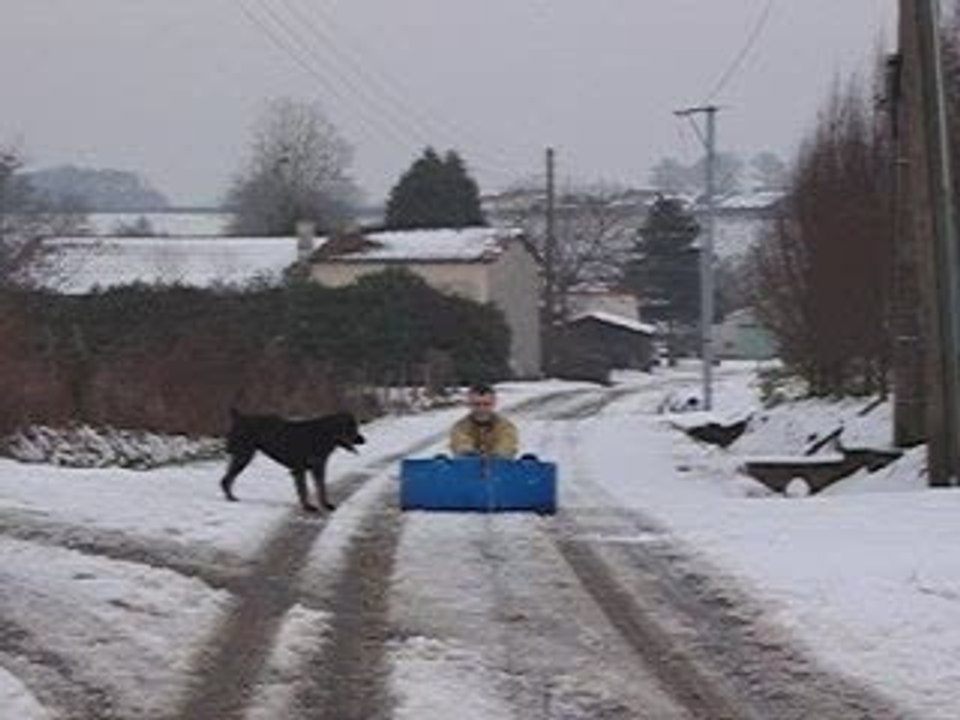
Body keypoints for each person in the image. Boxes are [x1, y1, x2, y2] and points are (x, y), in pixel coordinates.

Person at [450, 384, 519, 459]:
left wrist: (497, 455)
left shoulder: (506, 427)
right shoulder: (460, 427)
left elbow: (506, 446)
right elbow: (461, 446)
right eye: (477, 404)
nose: (481, 409)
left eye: (486, 404)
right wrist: (470, 454)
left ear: (494, 404)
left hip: (497, 464)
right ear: (469, 404)